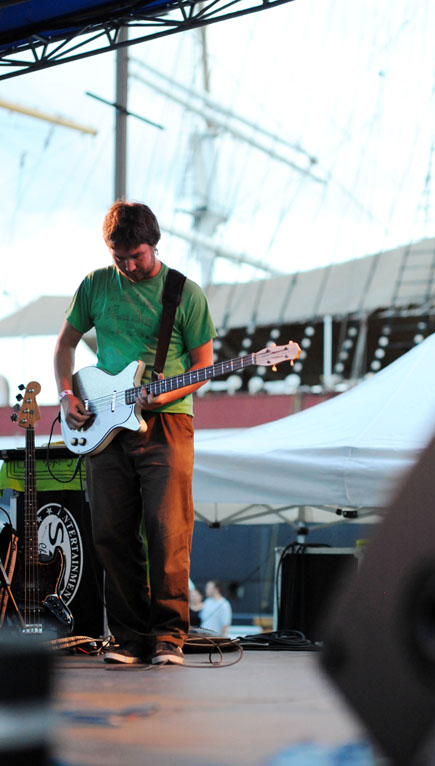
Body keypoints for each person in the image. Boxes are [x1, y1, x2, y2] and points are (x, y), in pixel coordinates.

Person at [54, 200, 216, 665]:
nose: (127, 265)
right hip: (106, 423)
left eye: (136, 256)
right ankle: (127, 638)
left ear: (154, 245)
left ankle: (169, 638)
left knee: (167, 531)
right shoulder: (95, 285)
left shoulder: (185, 293)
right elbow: (64, 345)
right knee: (109, 533)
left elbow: (204, 365)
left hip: (168, 420)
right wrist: (68, 396)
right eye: (118, 257)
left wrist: (164, 397)